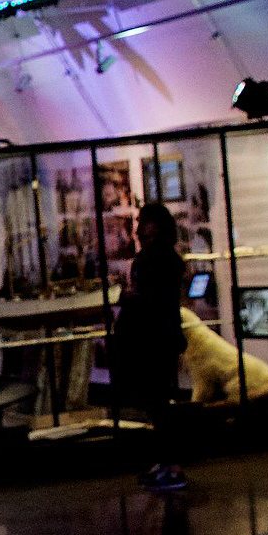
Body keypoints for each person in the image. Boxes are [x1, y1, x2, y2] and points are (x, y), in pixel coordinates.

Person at [110, 200, 187, 493]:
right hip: (160, 336)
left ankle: (172, 465)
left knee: (157, 403)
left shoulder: (154, 260)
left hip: (152, 338)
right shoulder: (166, 259)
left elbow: (152, 300)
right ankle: (166, 463)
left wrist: (128, 298)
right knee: (157, 402)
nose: (143, 231)